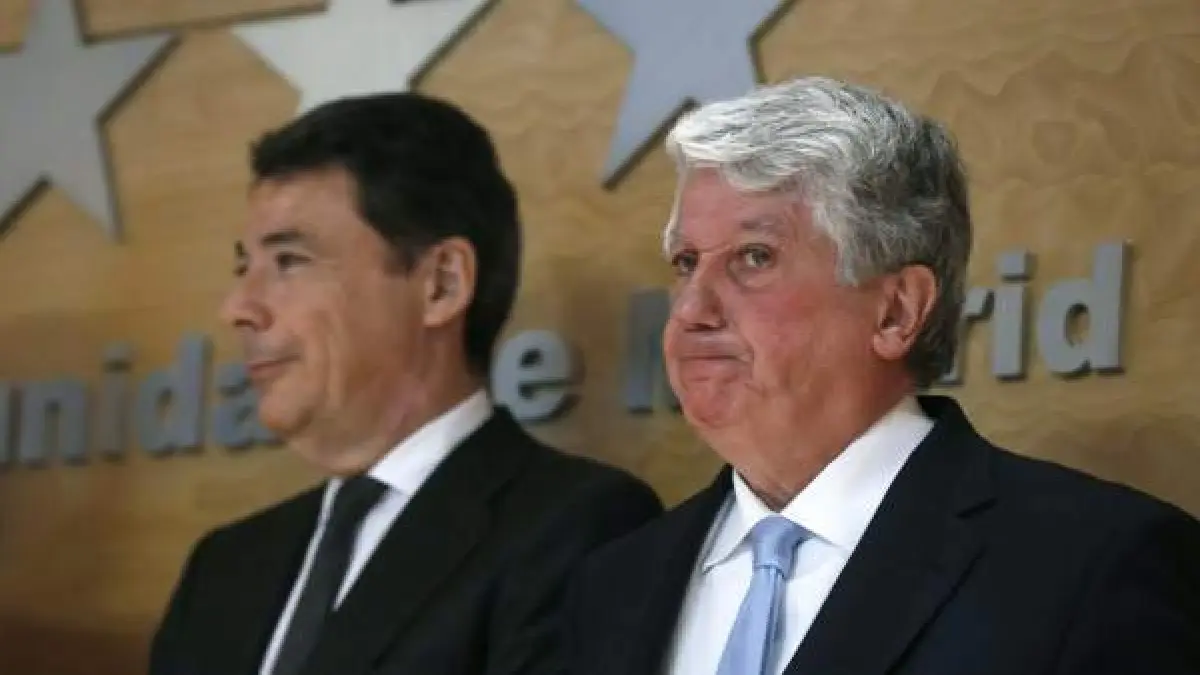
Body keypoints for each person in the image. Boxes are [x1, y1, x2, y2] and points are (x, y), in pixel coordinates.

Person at [565, 76, 1200, 675]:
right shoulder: (614, 584)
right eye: (685, 262)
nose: (691, 310)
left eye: (754, 257)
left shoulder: (1093, 565)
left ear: (896, 311)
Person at [148, 92, 662, 675]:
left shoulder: (580, 528)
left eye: (289, 261)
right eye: (244, 266)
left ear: (441, 284)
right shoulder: (224, 567)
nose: (238, 307)